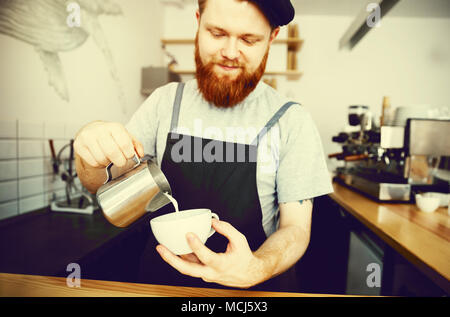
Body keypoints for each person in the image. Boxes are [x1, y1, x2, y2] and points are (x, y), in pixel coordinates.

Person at [74, 0, 333, 292]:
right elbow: (102, 186)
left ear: (271, 38)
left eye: (249, 39)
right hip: (162, 286)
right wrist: (87, 154)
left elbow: (295, 229)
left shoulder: (290, 120)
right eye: (217, 33)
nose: (231, 52)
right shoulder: (164, 102)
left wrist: (257, 266)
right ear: (198, 22)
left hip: (252, 293)